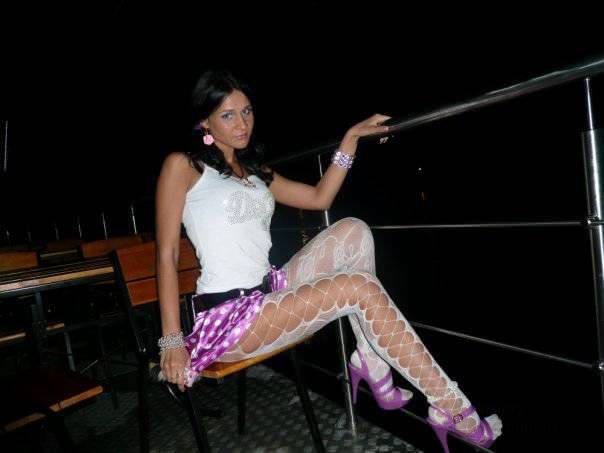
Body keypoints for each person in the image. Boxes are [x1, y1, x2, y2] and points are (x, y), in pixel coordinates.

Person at [155, 69, 502, 451]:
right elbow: (167, 254)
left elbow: (320, 197)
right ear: (204, 122)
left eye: (247, 111)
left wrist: (350, 139)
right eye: (228, 115)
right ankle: (451, 406)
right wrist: (171, 340)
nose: (243, 124)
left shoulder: (254, 171)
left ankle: (371, 361)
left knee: (353, 230)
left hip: (269, 292)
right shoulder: (183, 166)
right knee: (358, 288)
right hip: (229, 318)